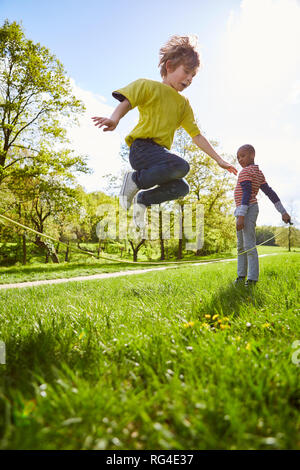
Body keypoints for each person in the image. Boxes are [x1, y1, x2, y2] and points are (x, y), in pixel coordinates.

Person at [92, 35, 237, 228]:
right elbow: (127, 103)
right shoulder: (147, 86)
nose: (189, 79)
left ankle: (143, 200)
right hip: (142, 150)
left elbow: (197, 136)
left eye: (193, 76)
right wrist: (114, 119)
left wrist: (219, 160)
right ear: (169, 67)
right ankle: (134, 179)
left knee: (181, 187)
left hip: (160, 156)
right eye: (186, 72)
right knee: (182, 166)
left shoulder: (183, 104)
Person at [234, 144, 291, 286]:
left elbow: (247, 194)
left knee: (248, 245)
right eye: (238, 157)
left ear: (252, 155)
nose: (240, 159)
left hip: (247, 210)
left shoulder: (246, 172)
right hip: (242, 210)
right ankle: (241, 276)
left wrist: (241, 216)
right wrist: (283, 212)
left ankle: (252, 279)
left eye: (243, 156)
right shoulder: (258, 172)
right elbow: (270, 193)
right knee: (241, 246)